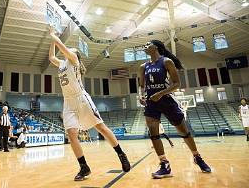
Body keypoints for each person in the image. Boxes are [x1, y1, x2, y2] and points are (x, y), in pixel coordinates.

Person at [48, 27, 130, 181]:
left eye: (71, 50)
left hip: (82, 99)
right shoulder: (62, 64)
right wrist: (52, 39)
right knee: (72, 134)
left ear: (75, 55)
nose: (69, 50)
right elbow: (52, 57)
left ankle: (121, 153)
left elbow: (63, 48)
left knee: (101, 127)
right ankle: (84, 167)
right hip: (68, 102)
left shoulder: (73, 59)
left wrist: (54, 35)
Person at [139, 40, 211, 179]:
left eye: (148, 44)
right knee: (153, 133)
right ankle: (164, 164)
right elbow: (142, 85)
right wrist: (141, 96)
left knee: (184, 132)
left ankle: (197, 157)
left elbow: (177, 84)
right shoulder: (143, 66)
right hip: (151, 102)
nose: (145, 46)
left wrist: (160, 93)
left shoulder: (166, 62)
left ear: (156, 47)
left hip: (166, 100)